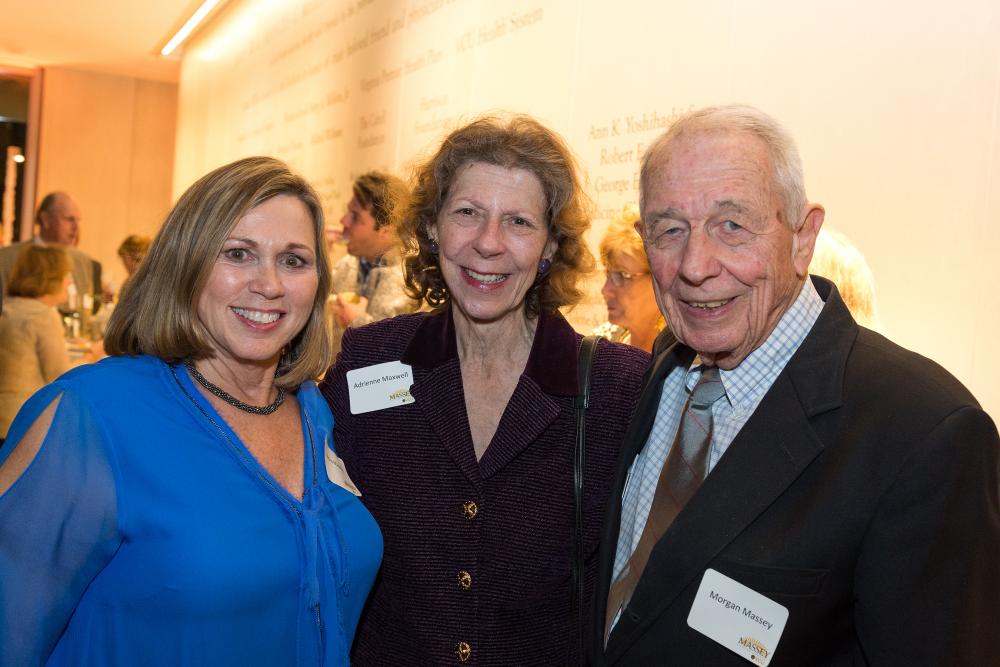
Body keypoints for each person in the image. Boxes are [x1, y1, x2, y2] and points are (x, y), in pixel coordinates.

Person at [594, 104, 1000, 666]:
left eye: (731, 225)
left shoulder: (924, 434)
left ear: (803, 238)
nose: (694, 266)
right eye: (670, 231)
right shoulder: (655, 370)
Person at [0, 157, 382, 665]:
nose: (268, 284)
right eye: (238, 254)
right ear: (186, 264)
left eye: (293, 260)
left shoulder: (318, 415)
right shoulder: (94, 416)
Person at [320, 115, 650, 665]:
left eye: (519, 222)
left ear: (550, 248)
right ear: (431, 228)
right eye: (467, 213)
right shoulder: (368, 363)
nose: (488, 244)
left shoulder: (618, 392)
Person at [329, 171, 416, 350]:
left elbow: (399, 358)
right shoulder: (345, 266)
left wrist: (358, 323)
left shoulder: (411, 284)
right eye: (348, 211)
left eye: (355, 216)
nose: (343, 220)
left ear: (386, 232)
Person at [0, 246, 73, 441]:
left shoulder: (8, 307)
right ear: (51, 278)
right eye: (66, 276)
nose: (69, 282)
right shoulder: (43, 316)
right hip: (22, 421)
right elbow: (61, 376)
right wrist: (93, 356)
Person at [0, 192, 102, 316]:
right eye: (69, 219)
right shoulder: (7, 258)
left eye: (78, 220)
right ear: (45, 219)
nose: (76, 227)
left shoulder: (83, 261)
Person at [592, 206, 666, 352]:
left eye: (623, 275)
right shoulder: (600, 346)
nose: (605, 291)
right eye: (608, 274)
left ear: (661, 281)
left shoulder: (688, 360)